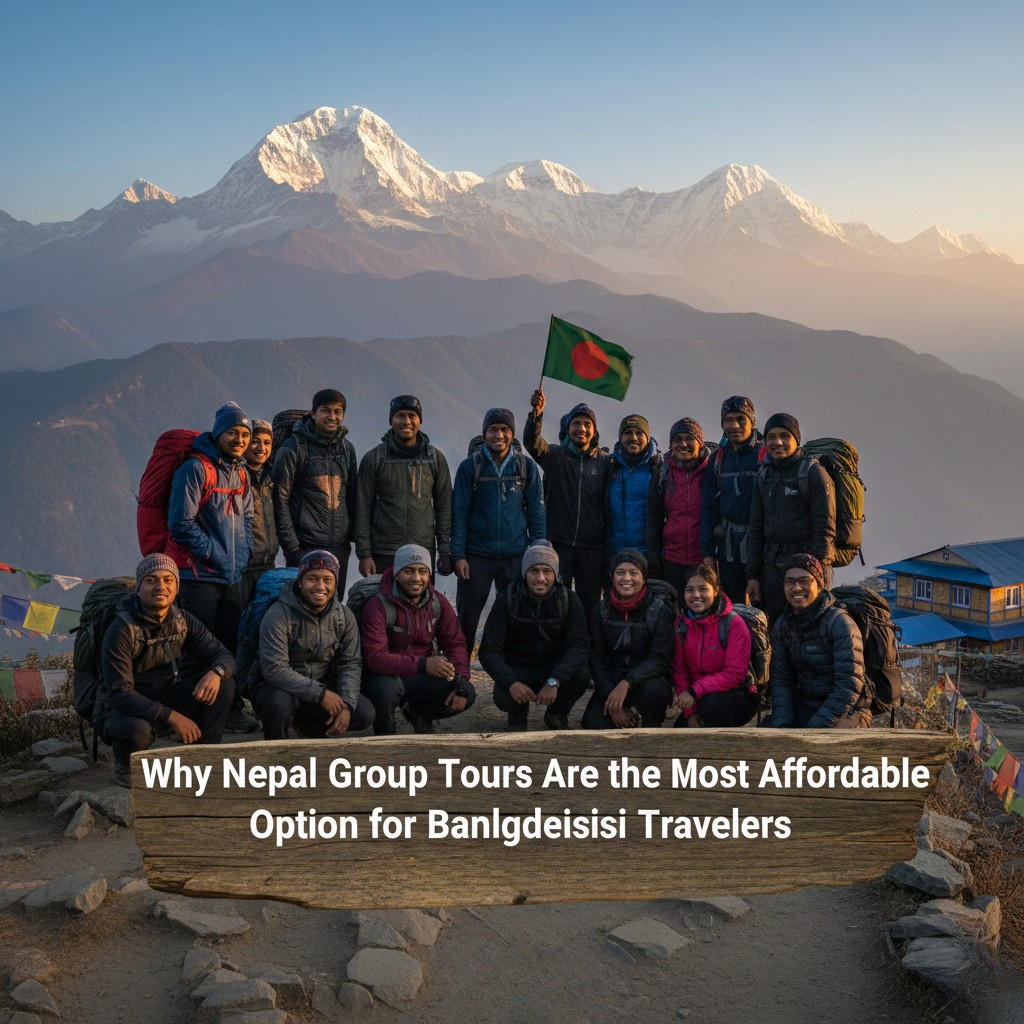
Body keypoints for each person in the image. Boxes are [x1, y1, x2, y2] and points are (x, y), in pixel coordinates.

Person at [97, 554, 236, 788]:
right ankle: (126, 765)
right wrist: (172, 716)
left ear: (176, 587)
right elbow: (120, 693)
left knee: (224, 684)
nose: (160, 586)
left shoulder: (182, 620)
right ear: (139, 589)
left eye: (168, 580)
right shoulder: (121, 629)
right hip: (123, 708)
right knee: (138, 730)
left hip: (166, 694)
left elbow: (224, 656)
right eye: (151, 580)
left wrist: (217, 672)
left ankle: (204, 758)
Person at [167, 401, 257, 732]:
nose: (239, 440)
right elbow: (180, 523)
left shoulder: (241, 473)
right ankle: (192, 717)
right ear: (218, 433)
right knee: (197, 651)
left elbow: (248, 517)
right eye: (232, 432)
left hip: (232, 577)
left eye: (244, 434)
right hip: (199, 577)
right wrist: (213, 553)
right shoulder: (195, 469)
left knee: (229, 646)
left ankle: (229, 711)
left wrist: (244, 552)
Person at [250, 550, 374, 740]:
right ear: (300, 582)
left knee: (364, 713)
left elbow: (350, 663)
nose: (320, 586)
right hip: (280, 688)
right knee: (278, 705)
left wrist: (347, 704)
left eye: (327, 580)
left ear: (335, 583)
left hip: (321, 684)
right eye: (312, 579)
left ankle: (310, 727)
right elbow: (275, 669)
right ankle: (276, 745)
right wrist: (321, 694)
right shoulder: (278, 615)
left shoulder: (344, 615)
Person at [451, 407, 546, 650]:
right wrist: (459, 556)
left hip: (515, 555)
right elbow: (459, 513)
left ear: (512, 434)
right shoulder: (470, 467)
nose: (499, 435)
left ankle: (510, 668)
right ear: (484, 433)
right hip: (476, 556)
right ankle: (460, 669)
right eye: (493, 429)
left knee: (515, 617)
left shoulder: (526, 467)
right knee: (467, 620)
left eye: (505, 429)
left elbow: (536, 511)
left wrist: (537, 553)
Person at [360, 544, 474, 734]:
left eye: (422, 571)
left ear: (429, 574)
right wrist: (424, 664)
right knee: (386, 689)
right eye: (409, 571)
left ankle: (418, 713)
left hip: (422, 673)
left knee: (467, 692)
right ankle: (384, 732)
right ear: (397, 574)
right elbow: (375, 658)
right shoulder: (377, 605)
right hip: (387, 675)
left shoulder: (438, 601)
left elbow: (455, 644)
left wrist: (461, 679)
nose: (416, 578)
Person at [479, 541, 590, 731]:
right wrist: (512, 683)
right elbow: (488, 649)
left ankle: (556, 713)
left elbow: (580, 645)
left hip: (553, 667)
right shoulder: (508, 598)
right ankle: (517, 712)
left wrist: (555, 680)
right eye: (534, 571)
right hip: (518, 667)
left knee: (581, 674)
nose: (540, 578)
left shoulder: (569, 600)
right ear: (524, 573)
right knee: (503, 697)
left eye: (547, 571)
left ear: (555, 574)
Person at [524, 389, 610, 618]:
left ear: (594, 431)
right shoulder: (555, 456)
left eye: (587, 424)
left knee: (589, 606)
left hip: (592, 548)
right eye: (576, 423)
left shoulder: (605, 463)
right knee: (555, 603)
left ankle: (586, 642)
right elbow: (533, 444)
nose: (581, 428)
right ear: (568, 429)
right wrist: (536, 414)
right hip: (559, 544)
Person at [746, 413, 836, 625]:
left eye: (785, 436)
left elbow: (825, 529)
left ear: (796, 439)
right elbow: (756, 529)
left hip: (807, 566)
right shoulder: (764, 476)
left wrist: (817, 574)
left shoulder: (812, 473)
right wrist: (753, 576)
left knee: (810, 627)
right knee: (772, 626)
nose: (777, 442)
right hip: (772, 567)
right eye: (771, 437)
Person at [768, 554, 872, 728]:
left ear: (819, 585)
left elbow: (848, 685)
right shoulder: (783, 625)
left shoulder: (839, 623)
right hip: (805, 705)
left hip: (847, 710)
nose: (796, 588)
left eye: (804, 581)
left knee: (826, 742)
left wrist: (815, 728)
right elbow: (781, 681)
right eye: (789, 582)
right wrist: (782, 726)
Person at [355, 396, 453, 578]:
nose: (406, 421)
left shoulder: (434, 459)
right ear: (391, 420)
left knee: (421, 597)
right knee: (382, 596)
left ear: (419, 420)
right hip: (384, 551)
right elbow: (362, 507)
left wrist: (445, 550)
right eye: (400, 415)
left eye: (412, 416)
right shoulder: (374, 459)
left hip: (422, 551)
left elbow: (444, 507)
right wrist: (364, 554)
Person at [272, 389, 357, 588]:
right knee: (305, 600)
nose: (332, 417)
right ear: (313, 413)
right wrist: (291, 548)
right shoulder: (293, 448)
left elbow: (352, 496)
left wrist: (353, 541)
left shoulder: (346, 449)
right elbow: (280, 500)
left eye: (338, 412)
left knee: (334, 601)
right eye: (326, 410)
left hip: (339, 547)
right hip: (305, 545)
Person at [582, 549, 673, 729]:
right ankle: (624, 713)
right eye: (620, 572)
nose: (626, 578)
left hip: (647, 678)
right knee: (593, 723)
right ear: (612, 576)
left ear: (644, 577)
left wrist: (627, 682)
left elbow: (660, 659)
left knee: (652, 693)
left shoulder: (659, 610)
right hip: (613, 678)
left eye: (634, 573)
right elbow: (597, 659)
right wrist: (613, 702)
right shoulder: (601, 610)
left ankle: (652, 725)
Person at [672, 564, 758, 728]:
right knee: (678, 735)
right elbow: (680, 671)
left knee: (712, 706)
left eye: (703, 589)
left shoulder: (733, 623)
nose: (696, 595)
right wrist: (690, 712)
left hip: (736, 694)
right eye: (690, 590)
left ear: (716, 590)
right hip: (697, 697)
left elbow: (734, 674)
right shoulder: (681, 625)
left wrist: (694, 692)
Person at [700, 396, 765, 605]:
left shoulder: (765, 456)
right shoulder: (717, 460)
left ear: (752, 422)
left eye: (741, 419)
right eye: (728, 420)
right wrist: (708, 553)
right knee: (733, 609)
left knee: (765, 609)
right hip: (728, 551)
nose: (734, 425)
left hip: (762, 548)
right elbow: (707, 508)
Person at [647, 418, 709, 601]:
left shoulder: (711, 471)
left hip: (704, 559)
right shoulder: (663, 472)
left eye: (689, 439)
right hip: (672, 559)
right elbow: (654, 518)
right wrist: (655, 558)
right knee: (674, 608)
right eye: (677, 439)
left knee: (704, 608)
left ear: (700, 443)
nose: (683, 444)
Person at [606, 414, 660, 559]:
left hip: (648, 554)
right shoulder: (610, 466)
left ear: (647, 438)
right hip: (614, 553)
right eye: (628, 432)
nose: (633, 438)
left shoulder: (658, 468)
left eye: (639, 433)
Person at [239, 418, 278, 608]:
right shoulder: (235, 475)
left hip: (268, 563)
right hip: (243, 568)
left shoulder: (270, 476)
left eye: (267, 442)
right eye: (255, 441)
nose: (261, 448)